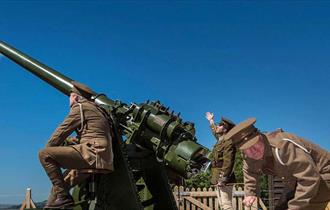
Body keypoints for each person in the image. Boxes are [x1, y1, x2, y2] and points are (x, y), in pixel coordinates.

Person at [224, 118, 330, 210]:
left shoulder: (283, 145)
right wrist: (250, 193)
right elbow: (250, 171)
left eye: (255, 145)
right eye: (247, 149)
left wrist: (295, 208)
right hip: (295, 180)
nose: (253, 151)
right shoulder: (249, 156)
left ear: (260, 136)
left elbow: (309, 178)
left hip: (322, 174)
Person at [38, 81, 114, 209]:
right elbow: (93, 134)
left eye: (70, 96)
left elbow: (60, 133)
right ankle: (54, 203)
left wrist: (49, 148)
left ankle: (64, 198)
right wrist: (71, 142)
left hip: (92, 154)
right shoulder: (98, 110)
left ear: (75, 97)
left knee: (44, 155)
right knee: (59, 186)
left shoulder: (80, 107)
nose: (69, 100)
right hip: (102, 157)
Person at [205, 112, 236, 210]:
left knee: (227, 206)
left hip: (224, 179)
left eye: (220, 125)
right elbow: (215, 131)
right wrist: (211, 120)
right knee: (223, 205)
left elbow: (228, 162)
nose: (217, 126)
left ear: (225, 129)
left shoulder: (228, 142)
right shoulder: (221, 140)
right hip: (217, 178)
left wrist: (223, 178)